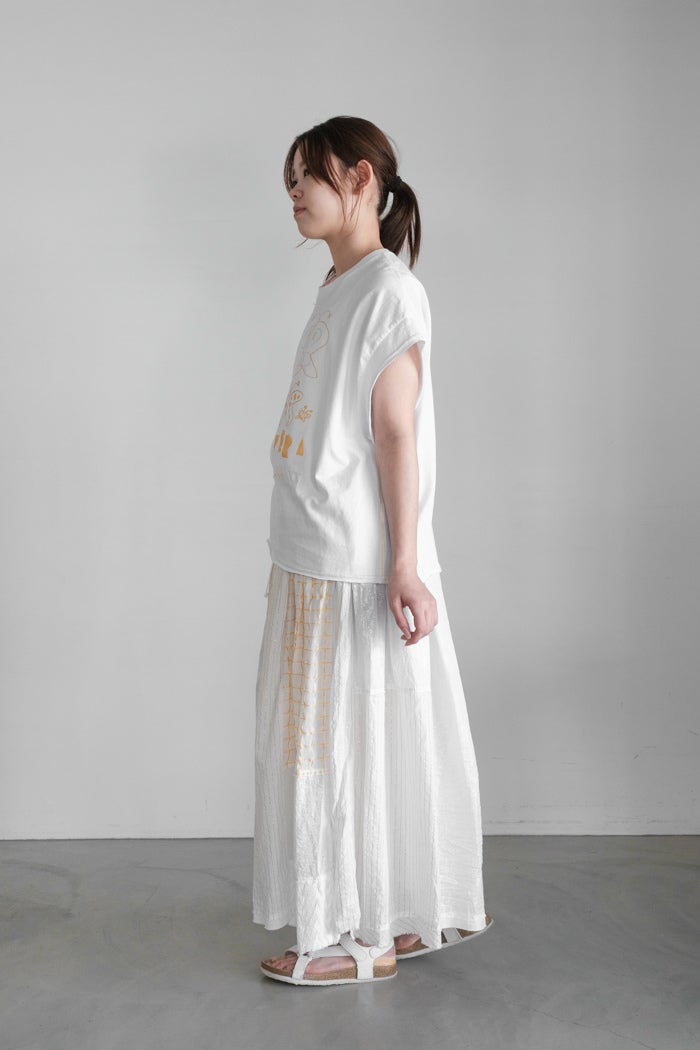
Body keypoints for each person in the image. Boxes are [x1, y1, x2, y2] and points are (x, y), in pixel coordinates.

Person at [252, 115, 492, 987]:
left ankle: (359, 940)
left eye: (307, 176)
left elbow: (396, 432)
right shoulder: (340, 284)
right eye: (289, 179)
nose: (293, 193)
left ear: (359, 179)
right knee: (326, 745)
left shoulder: (389, 289)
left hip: (351, 562)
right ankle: (384, 915)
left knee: (340, 750)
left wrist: (403, 564)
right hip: (313, 551)